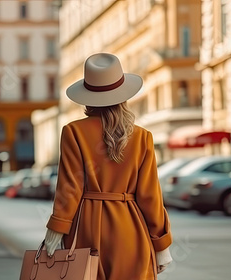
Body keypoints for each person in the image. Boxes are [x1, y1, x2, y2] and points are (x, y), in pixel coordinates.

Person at [44, 53, 173, 279]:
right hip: (132, 231)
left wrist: (56, 229)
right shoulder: (142, 137)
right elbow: (150, 197)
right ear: (123, 95)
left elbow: (69, 188)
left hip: (86, 230)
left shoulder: (73, 132)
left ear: (87, 96)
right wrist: (162, 246)